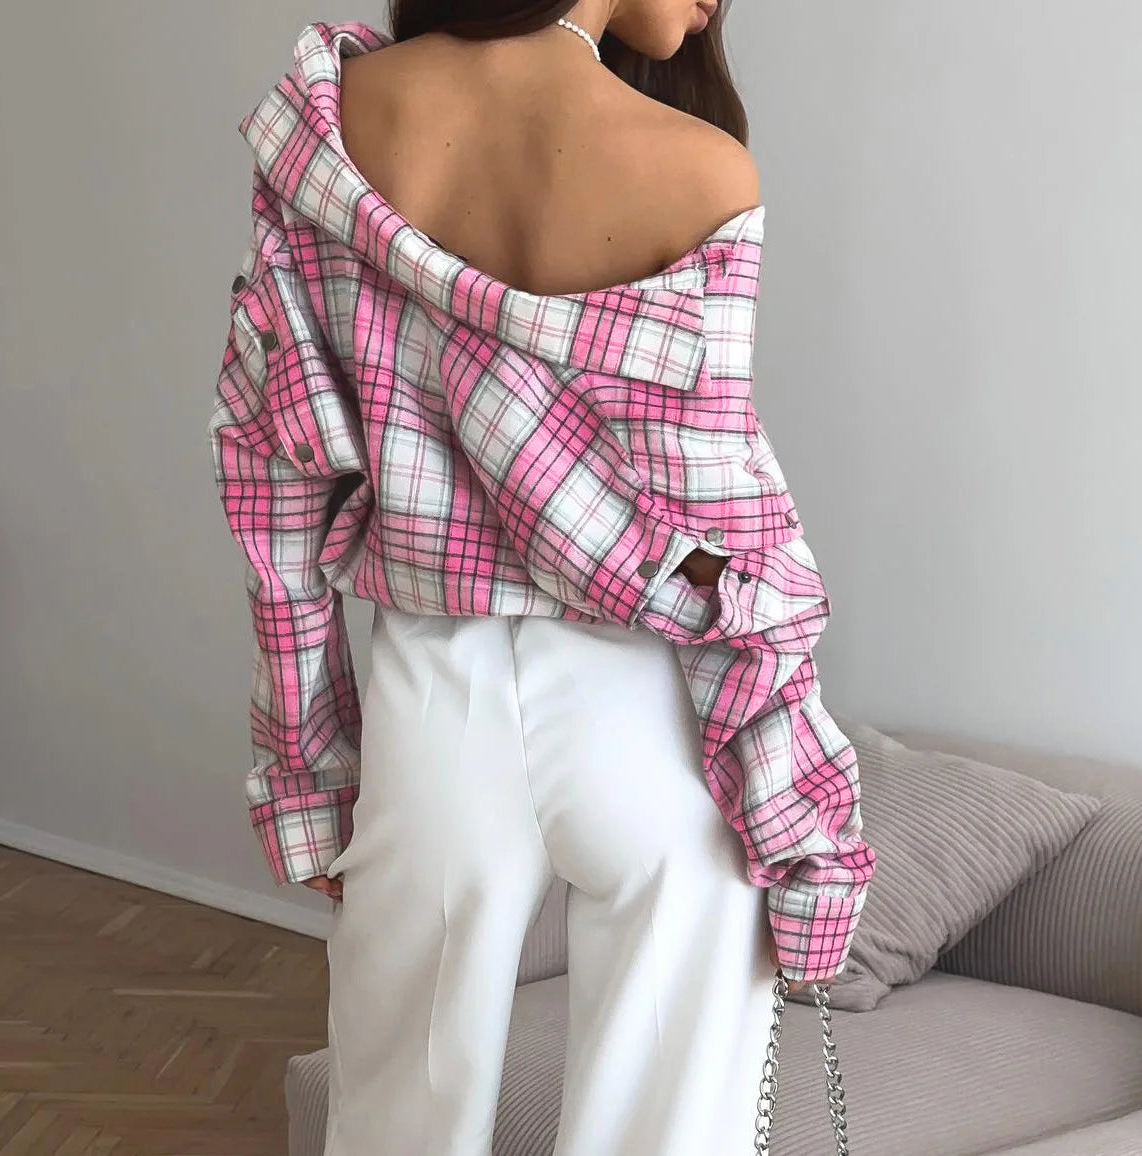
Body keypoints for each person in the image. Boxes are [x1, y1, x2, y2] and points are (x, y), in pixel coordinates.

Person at [207, 3, 876, 1153]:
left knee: (392, 1121)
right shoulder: (699, 171)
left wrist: (308, 775)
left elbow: (276, 482)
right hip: (650, 718)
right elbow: (724, 546)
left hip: (432, 705)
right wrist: (803, 824)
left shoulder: (331, 122)